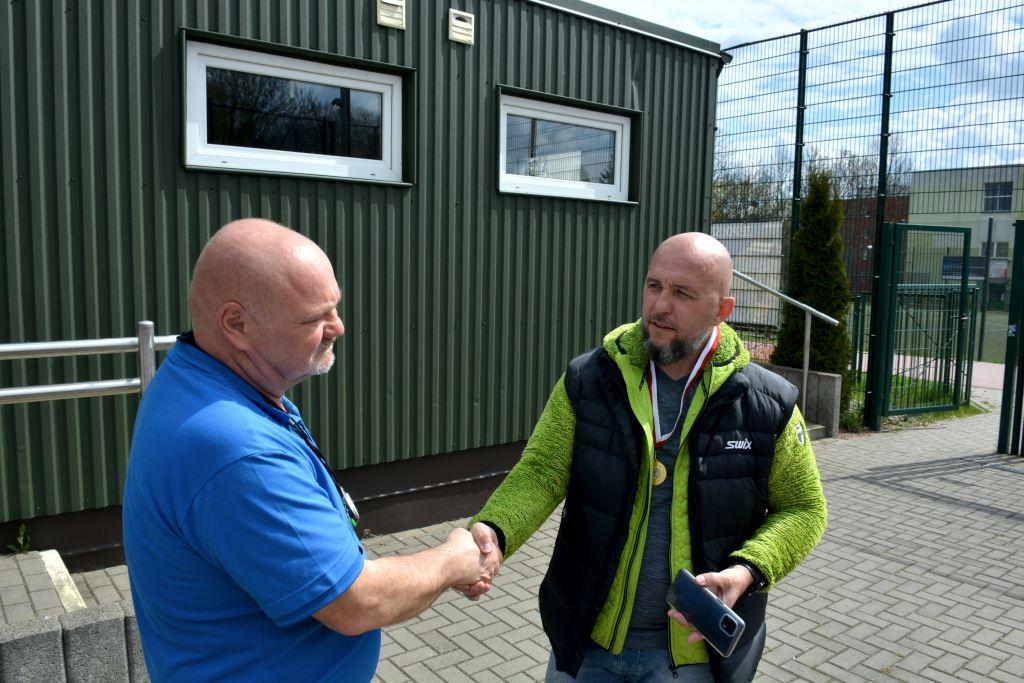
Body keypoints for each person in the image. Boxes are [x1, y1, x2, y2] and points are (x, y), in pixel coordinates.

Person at [122, 219, 494, 682]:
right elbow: (356, 603)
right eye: (314, 318)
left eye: (335, 306)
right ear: (237, 324)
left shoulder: (199, 381)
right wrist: (454, 560)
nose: (338, 326)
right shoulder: (237, 452)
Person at [467, 232, 828, 682]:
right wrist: (495, 530)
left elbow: (804, 508)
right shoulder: (590, 378)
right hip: (587, 644)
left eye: (682, 294)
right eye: (654, 286)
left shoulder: (766, 404)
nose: (660, 306)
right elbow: (542, 472)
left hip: (693, 657)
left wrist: (747, 570)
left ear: (722, 310)